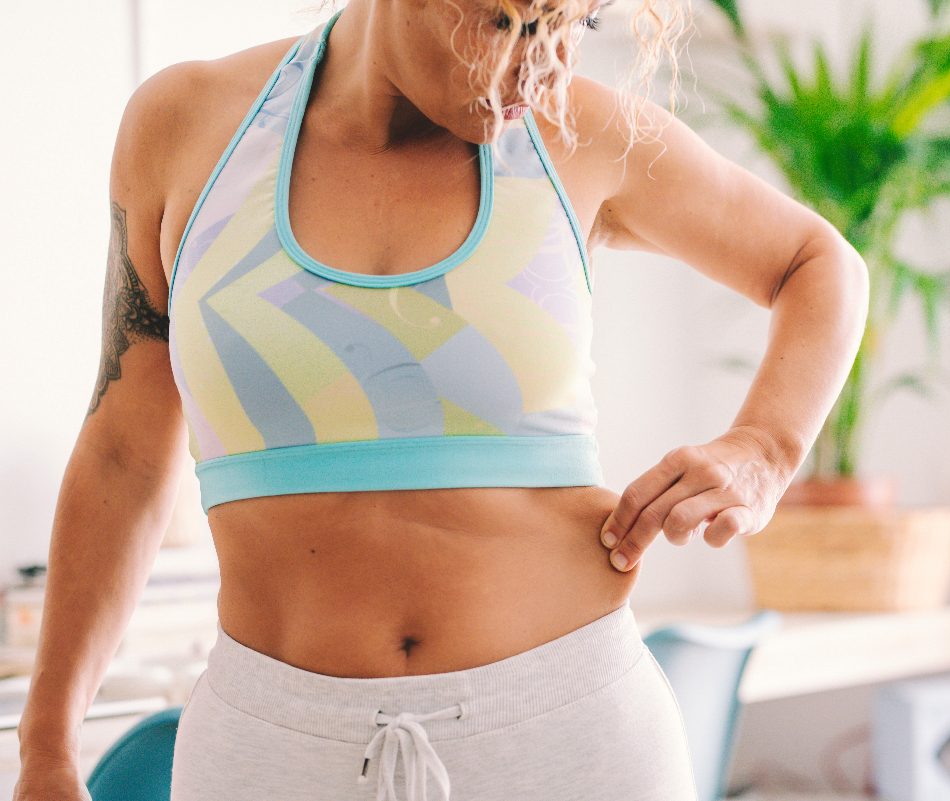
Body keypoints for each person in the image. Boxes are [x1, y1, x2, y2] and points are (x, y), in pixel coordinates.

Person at [14, 1, 869, 799]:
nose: (545, 68)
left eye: (574, 22)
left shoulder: (580, 134)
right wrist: (47, 741)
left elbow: (819, 262)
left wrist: (764, 448)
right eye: (510, 23)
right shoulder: (185, 127)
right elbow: (124, 451)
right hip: (269, 747)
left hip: (570, 735)